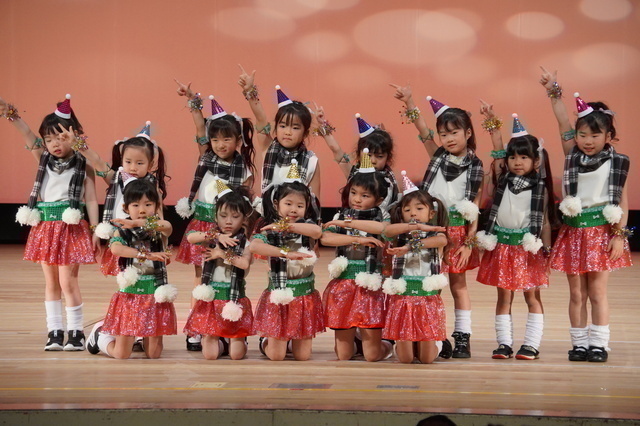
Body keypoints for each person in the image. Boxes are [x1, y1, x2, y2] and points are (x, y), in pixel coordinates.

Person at [540, 67, 632, 362]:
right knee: (577, 294)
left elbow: (622, 202)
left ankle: (599, 345)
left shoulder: (617, 162)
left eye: (595, 135)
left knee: (597, 293)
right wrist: (553, 90)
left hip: (601, 232)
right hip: (574, 232)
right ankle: (579, 344)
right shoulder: (572, 154)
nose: (588, 140)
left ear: (608, 135)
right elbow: (562, 120)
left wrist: (618, 236)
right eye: (582, 134)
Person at [391, 84, 483, 358]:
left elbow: (475, 209)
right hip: (428, 229)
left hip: (457, 232)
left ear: (467, 133)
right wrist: (409, 102)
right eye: (444, 134)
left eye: (454, 132)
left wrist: (468, 243)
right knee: (430, 284)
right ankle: (434, 335)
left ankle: (462, 336)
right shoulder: (437, 155)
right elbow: (422, 129)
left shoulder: (477, 166)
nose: (449, 138)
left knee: (458, 285)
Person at [1, 94, 99, 351]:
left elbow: (90, 200)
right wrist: (10, 113)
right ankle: (54, 331)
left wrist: (95, 230)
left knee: (68, 281)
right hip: (46, 227)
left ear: (72, 135)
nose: (54, 143)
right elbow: (26, 133)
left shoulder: (84, 165)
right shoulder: (43, 159)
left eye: (60, 137)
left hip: (71, 227)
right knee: (51, 282)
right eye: (48, 139)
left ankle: (76, 331)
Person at [174, 82, 255, 351]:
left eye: (227, 139)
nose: (220, 144)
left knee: (228, 275)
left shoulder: (244, 169)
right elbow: (200, 128)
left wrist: (241, 233)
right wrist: (193, 102)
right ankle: (198, 327)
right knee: (202, 276)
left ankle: (227, 323)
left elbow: (245, 205)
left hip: (230, 227)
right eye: (216, 139)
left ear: (238, 140)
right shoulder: (206, 157)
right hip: (204, 224)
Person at [476, 103, 557, 360]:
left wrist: (546, 251)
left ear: (536, 160)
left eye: (524, 157)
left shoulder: (540, 188)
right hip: (502, 247)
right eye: (513, 157)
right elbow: (498, 150)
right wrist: (492, 121)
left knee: (531, 296)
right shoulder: (503, 180)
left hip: (527, 248)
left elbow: (545, 222)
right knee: (504, 298)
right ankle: (504, 343)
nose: (517, 162)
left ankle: (531, 344)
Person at [86, 179, 176, 359]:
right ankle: (99, 336)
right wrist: (146, 255)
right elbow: (116, 249)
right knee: (121, 354)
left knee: (154, 354)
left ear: (156, 207)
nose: (142, 210)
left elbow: (168, 227)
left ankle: (141, 337)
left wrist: (136, 223)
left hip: (155, 292)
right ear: (126, 208)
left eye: (148, 204)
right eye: (136, 205)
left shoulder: (159, 228)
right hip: (131, 294)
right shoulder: (121, 231)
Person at [321, 151, 393, 362]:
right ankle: (356, 341)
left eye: (365, 195)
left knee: (372, 356)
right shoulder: (341, 216)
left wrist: (349, 226)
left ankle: (388, 344)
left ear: (379, 199)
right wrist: (357, 239)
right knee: (343, 356)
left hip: (370, 284)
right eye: (353, 193)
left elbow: (384, 231)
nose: (357, 199)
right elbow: (326, 238)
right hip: (344, 283)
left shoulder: (382, 217)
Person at [250, 161, 324, 361]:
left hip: (304, 294)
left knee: (303, 357)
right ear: (277, 205)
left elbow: (317, 232)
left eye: (300, 206)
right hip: (280, 292)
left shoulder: (307, 226)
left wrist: (286, 227)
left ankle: (290, 337)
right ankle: (267, 341)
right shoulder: (268, 227)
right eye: (288, 204)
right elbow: (255, 246)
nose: (293, 210)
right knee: (276, 356)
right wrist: (285, 253)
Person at [84, 121, 169, 276]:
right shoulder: (116, 178)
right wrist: (77, 144)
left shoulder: (152, 187)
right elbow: (97, 161)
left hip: (144, 237)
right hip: (121, 236)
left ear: (150, 164)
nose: (133, 167)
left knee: (145, 275)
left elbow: (159, 215)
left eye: (139, 163)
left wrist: (162, 240)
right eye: (128, 162)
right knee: (124, 277)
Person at [237, 65, 321, 219]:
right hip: (267, 220)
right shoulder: (269, 147)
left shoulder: (311, 161)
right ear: (275, 127)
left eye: (295, 127)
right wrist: (250, 92)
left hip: (297, 224)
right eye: (283, 126)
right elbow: (261, 119)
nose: (288, 132)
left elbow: (314, 201)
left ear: (305, 132)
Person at [382, 173, 449, 364]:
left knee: (426, 359)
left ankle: (439, 343)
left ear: (431, 214)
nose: (413, 213)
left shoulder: (437, 235)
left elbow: (440, 241)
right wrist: (410, 229)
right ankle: (397, 344)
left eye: (419, 208)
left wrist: (410, 246)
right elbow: (386, 230)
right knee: (406, 359)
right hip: (403, 298)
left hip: (426, 299)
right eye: (407, 209)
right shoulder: (397, 235)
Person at [183, 184, 255, 360]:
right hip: (212, 298)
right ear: (215, 216)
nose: (228, 221)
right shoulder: (211, 237)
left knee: (236, 355)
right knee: (210, 355)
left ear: (244, 218)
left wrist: (222, 254)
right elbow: (191, 237)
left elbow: (244, 263)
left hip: (233, 298)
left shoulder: (246, 243)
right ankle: (220, 339)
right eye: (223, 216)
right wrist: (216, 236)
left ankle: (236, 339)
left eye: (235, 216)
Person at [314, 105, 399, 212]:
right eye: (368, 155)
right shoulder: (354, 174)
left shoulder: (389, 181)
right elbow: (336, 149)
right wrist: (322, 124)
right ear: (359, 154)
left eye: (380, 156)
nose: (373, 161)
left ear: (388, 157)